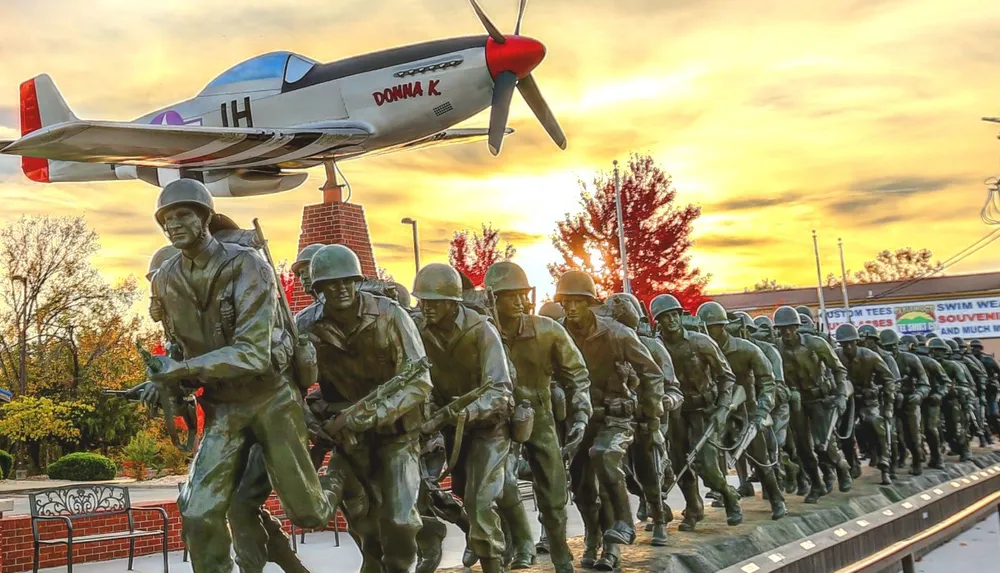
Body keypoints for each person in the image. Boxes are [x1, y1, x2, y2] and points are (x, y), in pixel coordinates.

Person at [148, 179, 334, 573]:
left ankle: (341, 480)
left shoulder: (247, 265)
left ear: (204, 218)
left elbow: (253, 353)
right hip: (222, 408)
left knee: (309, 512)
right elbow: (179, 349)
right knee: (197, 511)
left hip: (271, 400)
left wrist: (180, 368)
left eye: (183, 215)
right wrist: (163, 380)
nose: (174, 224)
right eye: (167, 219)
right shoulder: (165, 279)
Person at [295, 245, 432, 573]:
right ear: (318, 288)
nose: (341, 289)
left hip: (396, 433)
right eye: (331, 284)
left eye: (348, 281)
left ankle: (401, 567)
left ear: (357, 281)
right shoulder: (304, 324)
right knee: (363, 522)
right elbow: (288, 387)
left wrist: (371, 414)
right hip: (346, 439)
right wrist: (310, 421)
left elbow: (419, 380)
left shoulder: (390, 314)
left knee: (400, 518)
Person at [485, 262, 593, 573]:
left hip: (541, 417)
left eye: (522, 295)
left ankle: (561, 557)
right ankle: (518, 545)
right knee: (500, 484)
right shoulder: (483, 333)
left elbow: (578, 376)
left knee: (554, 493)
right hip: (498, 421)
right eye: (511, 296)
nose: (520, 302)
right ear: (493, 298)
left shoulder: (548, 330)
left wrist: (581, 416)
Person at [558, 272, 666, 570]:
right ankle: (593, 536)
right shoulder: (557, 333)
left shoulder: (617, 333)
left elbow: (652, 373)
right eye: (566, 302)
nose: (571, 308)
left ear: (590, 303)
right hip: (579, 418)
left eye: (578, 302)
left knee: (604, 456)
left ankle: (619, 533)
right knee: (581, 488)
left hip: (615, 417)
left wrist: (650, 414)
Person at [412, 263, 515, 573]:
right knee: (458, 495)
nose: (425, 307)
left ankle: (493, 564)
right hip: (448, 431)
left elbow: (501, 390)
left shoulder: (481, 330)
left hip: (489, 428)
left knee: (481, 502)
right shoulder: (418, 331)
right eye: (422, 301)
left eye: (432, 302)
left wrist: (469, 411)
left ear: (451, 302)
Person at [651, 294, 742, 530]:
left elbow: (726, 376)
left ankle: (728, 493)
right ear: (658, 321)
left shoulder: (700, 342)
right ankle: (693, 508)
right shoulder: (655, 347)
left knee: (707, 464)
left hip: (705, 409)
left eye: (674, 315)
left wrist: (723, 407)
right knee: (680, 461)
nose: (671, 320)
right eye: (665, 317)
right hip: (677, 412)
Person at [606, 293, 684, 545]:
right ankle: (649, 499)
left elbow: (672, 386)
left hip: (648, 419)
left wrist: (663, 404)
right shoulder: (606, 347)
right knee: (627, 477)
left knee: (649, 471)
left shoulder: (653, 347)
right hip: (618, 421)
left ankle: (659, 518)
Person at [697, 302, 786, 520]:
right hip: (719, 410)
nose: (709, 332)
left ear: (723, 326)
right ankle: (728, 501)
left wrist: (762, 411)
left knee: (761, 459)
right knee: (710, 455)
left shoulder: (746, 349)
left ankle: (776, 500)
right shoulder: (701, 350)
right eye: (706, 328)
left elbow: (768, 381)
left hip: (748, 410)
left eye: (714, 327)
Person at [772, 306, 852, 503]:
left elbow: (839, 370)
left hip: (820, 400)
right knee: (803, 448)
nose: (787, 332)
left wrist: (841, 394)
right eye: (783, 329)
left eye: (790, 327)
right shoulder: (776, 348)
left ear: (797, 326)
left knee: (823, 444)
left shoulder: (816, 344)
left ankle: (841, 467)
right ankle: (816, 484)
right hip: (797, 402)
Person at [835, 324, 896, 485]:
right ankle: (853, 463)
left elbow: (889, 379)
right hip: (848, 401)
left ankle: (885, 462)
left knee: (876, 423)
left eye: (851, 343)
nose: (847, 347)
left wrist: (888, 401)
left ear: (857, 342)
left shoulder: (869, 356)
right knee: (844, 431)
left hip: (869, 400)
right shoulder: (836, 356)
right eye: (843, 344)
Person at [879, 329, 929, 475]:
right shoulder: (881, 359)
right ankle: (893, 463)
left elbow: (924, 382)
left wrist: (919, 394)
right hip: (889, 400)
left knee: (912, 434)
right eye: (887, 347)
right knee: (892, 434)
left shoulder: (910, 359)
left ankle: (917, 459)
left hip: (908, 400)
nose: (892, 349)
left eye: (894, 346)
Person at [906, 335, 951, 469]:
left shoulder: (929, 362)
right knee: (911, 431)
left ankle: (937, 457)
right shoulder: (904, 361)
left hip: (931, 400)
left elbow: (946, 382)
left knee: (931, 429)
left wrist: (939, 394)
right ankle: (918, 456)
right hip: (913, 400)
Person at [927, 338, 972, 462]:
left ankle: (964, 450)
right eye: (934, 350)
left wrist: (955, 391)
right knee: (934, 429)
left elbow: (964, 384)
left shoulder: (952, 365)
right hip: (933, 401)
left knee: (955, 429)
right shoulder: (927, 365)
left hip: (951, 400)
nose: (937, 353)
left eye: (940, 351)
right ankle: (938, 454)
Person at [970, 339, 1000, 438]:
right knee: (981, 415)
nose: (975, 350)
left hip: (990, 389)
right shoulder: (968, 360)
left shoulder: (989, 360)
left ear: (981, 348)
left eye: (977, 347)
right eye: (973, 347)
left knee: (993, 414)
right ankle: (988, 436)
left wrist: (993, 381)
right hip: (976, 390)